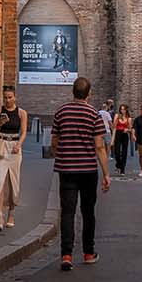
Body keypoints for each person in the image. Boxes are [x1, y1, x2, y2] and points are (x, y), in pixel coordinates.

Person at [50, 75, 110, 270]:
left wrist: (60, 152)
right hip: (88, 171)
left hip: (66, 169)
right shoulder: (94, 114)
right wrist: (106, 174)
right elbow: (100, 147)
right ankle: (88, 252)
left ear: (73, 92)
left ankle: (66, 255)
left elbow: (54, 142)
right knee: (88, 212)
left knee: (67, 212)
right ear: (89, 94)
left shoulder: (61, 112)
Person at [0, 85, 28, 230]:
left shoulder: (21, 113)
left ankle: (11, 214)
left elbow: (24, 131)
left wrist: (19, 144)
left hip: (14, 149)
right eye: (5, 97)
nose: (7, 100)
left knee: (13, 183)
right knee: (0, 181)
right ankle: (0, 217)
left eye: (10, 97)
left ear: (15, 97)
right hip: (1, 148)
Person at [111, 103, 132, 176]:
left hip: (124, 135)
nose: (122, 110)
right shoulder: (117, 116)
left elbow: (130, 129)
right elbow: (113, 126)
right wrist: (116, 120)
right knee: (116, 152)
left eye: (123, 109)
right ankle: (118, 164)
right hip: (118, 134)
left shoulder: (129, 118)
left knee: (124, 153)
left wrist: (128, 130)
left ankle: (122, 169)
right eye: (121, 109)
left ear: (126, 110)